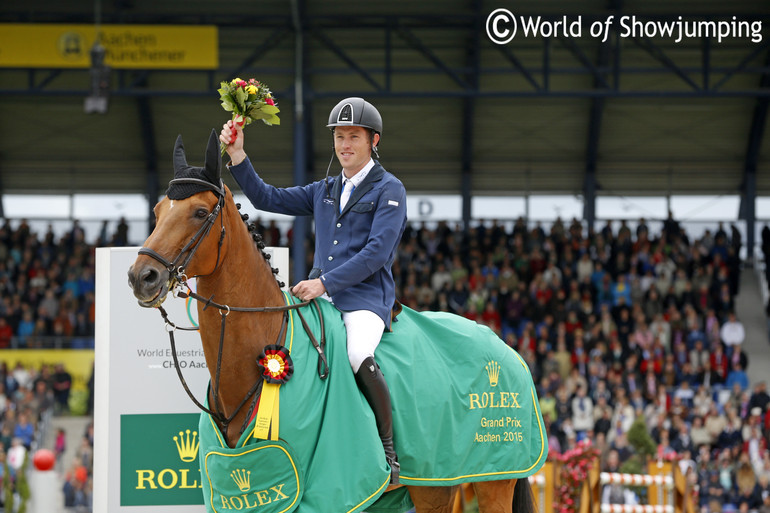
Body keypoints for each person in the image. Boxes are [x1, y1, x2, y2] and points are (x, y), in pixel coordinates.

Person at [220, 97, 407, 483]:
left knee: (356, 353)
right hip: (318, 299)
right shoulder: (325, 188)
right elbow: (266, 198)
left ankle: (389, 451)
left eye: (353, 136)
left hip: (364, 300)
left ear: (373, 140)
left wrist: (325, 283)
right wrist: (238, 155)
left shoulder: (390, 189)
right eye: (339, 137)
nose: (344, 145)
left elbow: (377, 253)